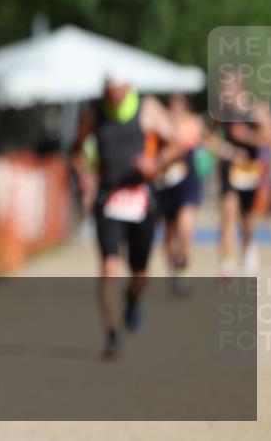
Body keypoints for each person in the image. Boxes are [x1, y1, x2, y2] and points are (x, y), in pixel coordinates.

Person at [71, 73, 177, 360]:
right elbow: (77, 151)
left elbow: (176, 144)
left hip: (141, 197)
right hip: (108, 197)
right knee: (108, 267)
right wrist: (85, 175)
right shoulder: (94, 111)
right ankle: (112, 335)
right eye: (109, 91)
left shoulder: (147, 107)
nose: (114, 97)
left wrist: (155, 163)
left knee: (140, 274)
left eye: (118, 91)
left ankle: (132, 299)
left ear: (129, 86)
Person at [206, 75, 271, 278]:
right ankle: (227, 264)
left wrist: (245, 136)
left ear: (239, 89)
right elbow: (208, 137)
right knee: (228, 212)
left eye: (226, 90)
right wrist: (227, 150)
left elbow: (269, 138)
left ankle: (248, 247)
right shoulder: (222, 112)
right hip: (229, 169)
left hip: (251, 171)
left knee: (247, 219)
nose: (223, 94)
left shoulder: (257, 110)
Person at [152, 94, 204, 295]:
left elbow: (199, 141)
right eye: (173, 104)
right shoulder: (159, 127)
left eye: (180, 104)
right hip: (166, 186)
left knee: (185, 229)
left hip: (188, 184)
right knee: (169, 235)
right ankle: (174, 269)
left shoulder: (193, 124)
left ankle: (183, 268)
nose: (176, 108)